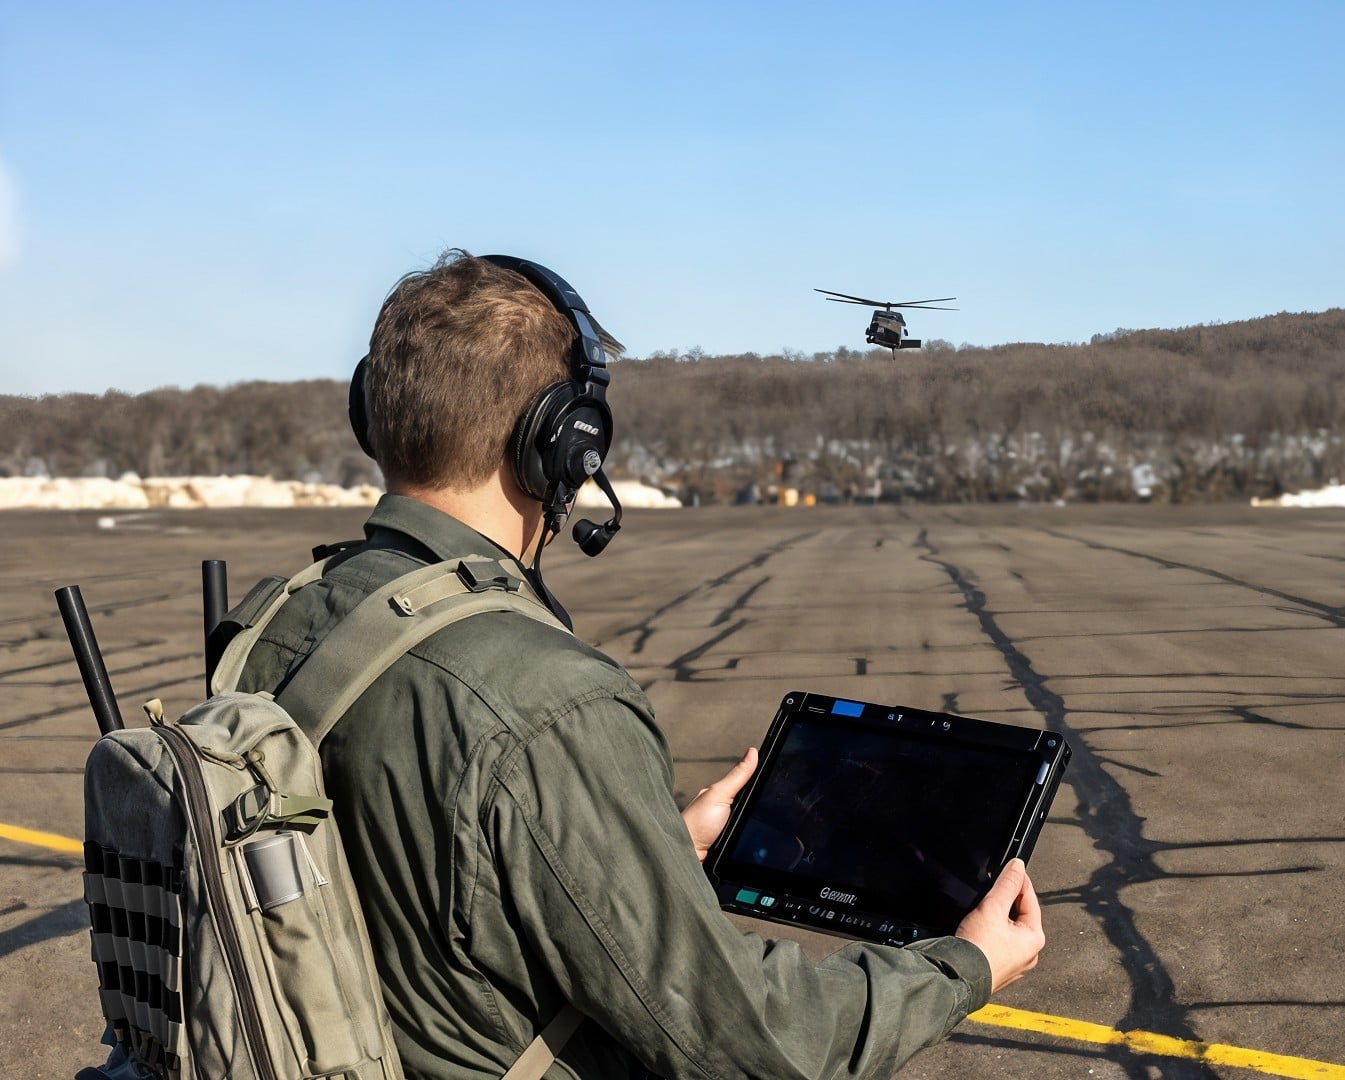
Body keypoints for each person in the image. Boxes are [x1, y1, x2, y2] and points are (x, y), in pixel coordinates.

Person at [234, 251, 1045, 1078]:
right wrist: (962, 967)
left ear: (373, 416)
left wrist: (638, 845)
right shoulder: (548, 698)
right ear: (565, 440)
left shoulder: (278, 622)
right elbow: (756, 1048)